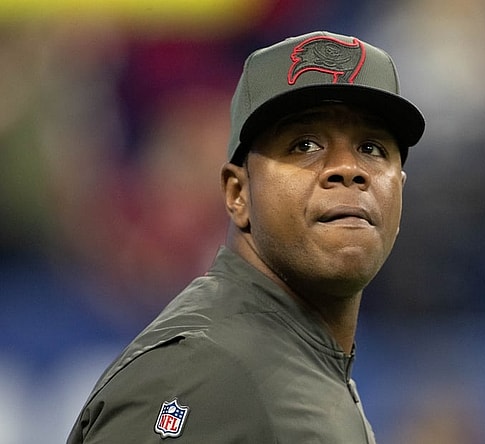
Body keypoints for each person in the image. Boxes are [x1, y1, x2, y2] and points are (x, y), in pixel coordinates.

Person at [67, 30, 425, 443]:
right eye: (304, 144)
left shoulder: (290, 362)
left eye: (372, 147)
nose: (348, 169)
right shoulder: (204, 370)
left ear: (399, 188)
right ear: (238, 194)